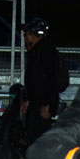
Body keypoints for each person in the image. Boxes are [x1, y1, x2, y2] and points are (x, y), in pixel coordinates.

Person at [20, 17, 62, 145]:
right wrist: (29, 99)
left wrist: (47, 104)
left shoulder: (47, 52)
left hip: (43, 105)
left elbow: (51, 79)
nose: (24, 38)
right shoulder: (35, 52)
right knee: (31, 137)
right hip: (35, 103)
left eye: (26, 34)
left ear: (33, 35)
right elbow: (34, 80)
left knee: (40, 140)